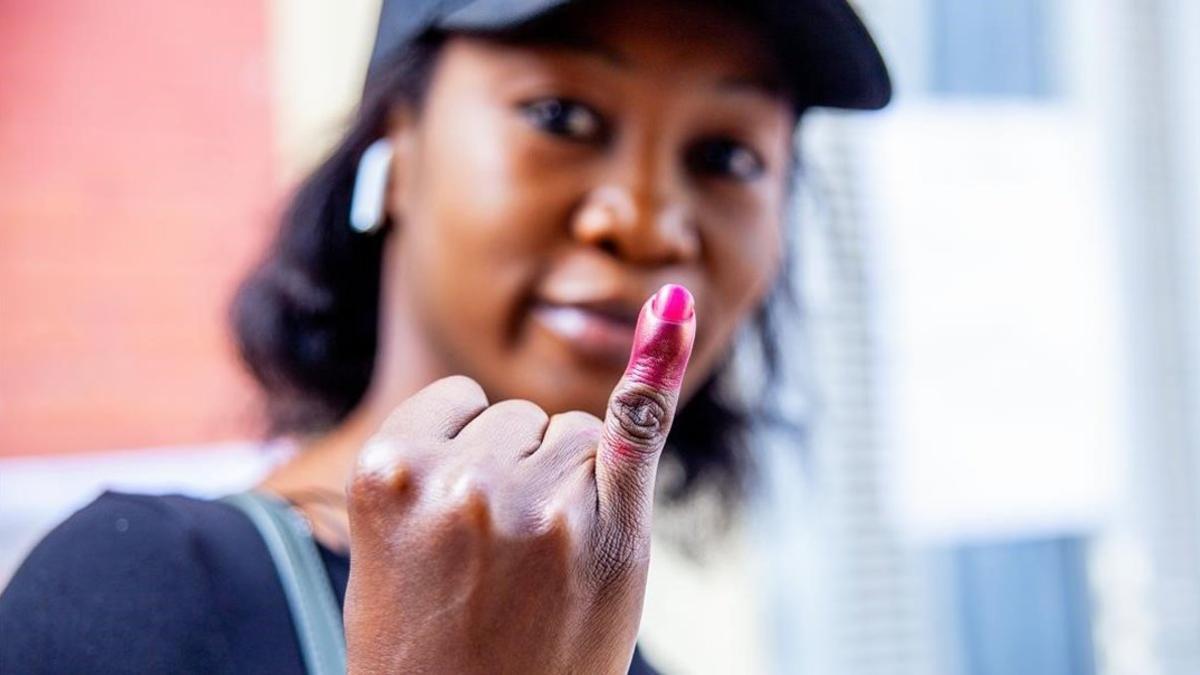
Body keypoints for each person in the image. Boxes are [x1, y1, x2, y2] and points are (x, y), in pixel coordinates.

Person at [0, 0, 890, 672]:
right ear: (396, 152)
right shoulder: (142, 595)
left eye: (728, 156)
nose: (647, 221)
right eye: (561, 116)